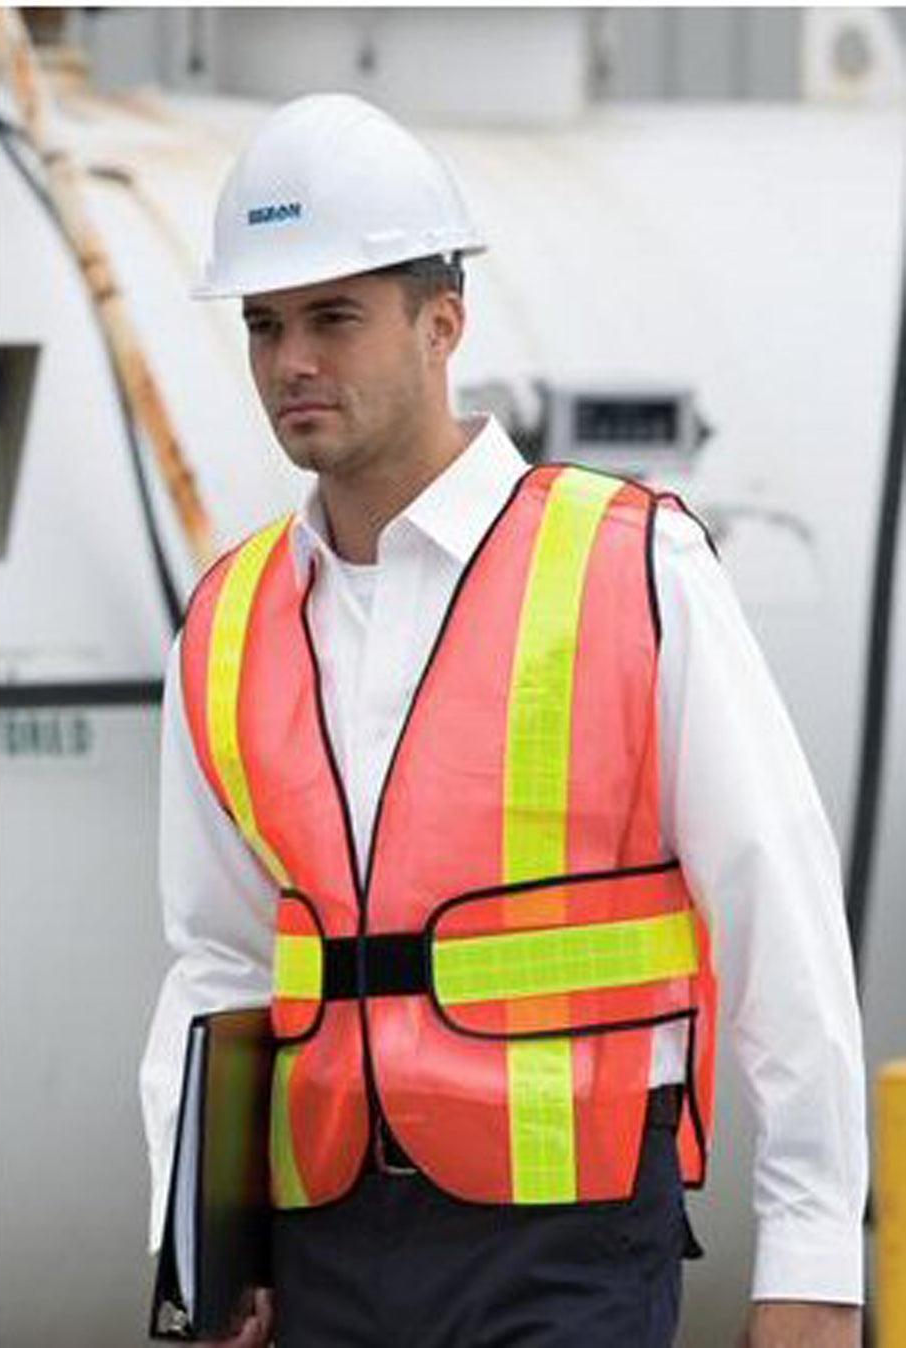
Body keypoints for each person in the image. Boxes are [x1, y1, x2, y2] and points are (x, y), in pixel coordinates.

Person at [141, 93, 867, 1348]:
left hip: (565, 1245)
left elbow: (780, 924)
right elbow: (219, 965)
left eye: (333, 317)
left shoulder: (633, 566)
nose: (291, 360)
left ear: (442, 323)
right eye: (264, 325)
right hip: (324, 1253)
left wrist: (811, 1268)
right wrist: (211, 1246)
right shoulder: (230, 620)